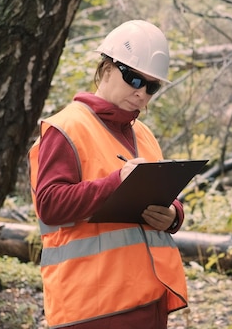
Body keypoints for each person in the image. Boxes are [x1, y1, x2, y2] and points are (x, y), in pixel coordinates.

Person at [28, 20, 188, 328]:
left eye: (151, 86)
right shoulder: (67, 127)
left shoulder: (144, 134)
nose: (141, 93)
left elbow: (168, 197)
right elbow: (49, 205)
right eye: (133, 79)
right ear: (107, 69)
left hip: (148, 299)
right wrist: (116, 183)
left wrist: (173, 215)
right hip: (92, 306)